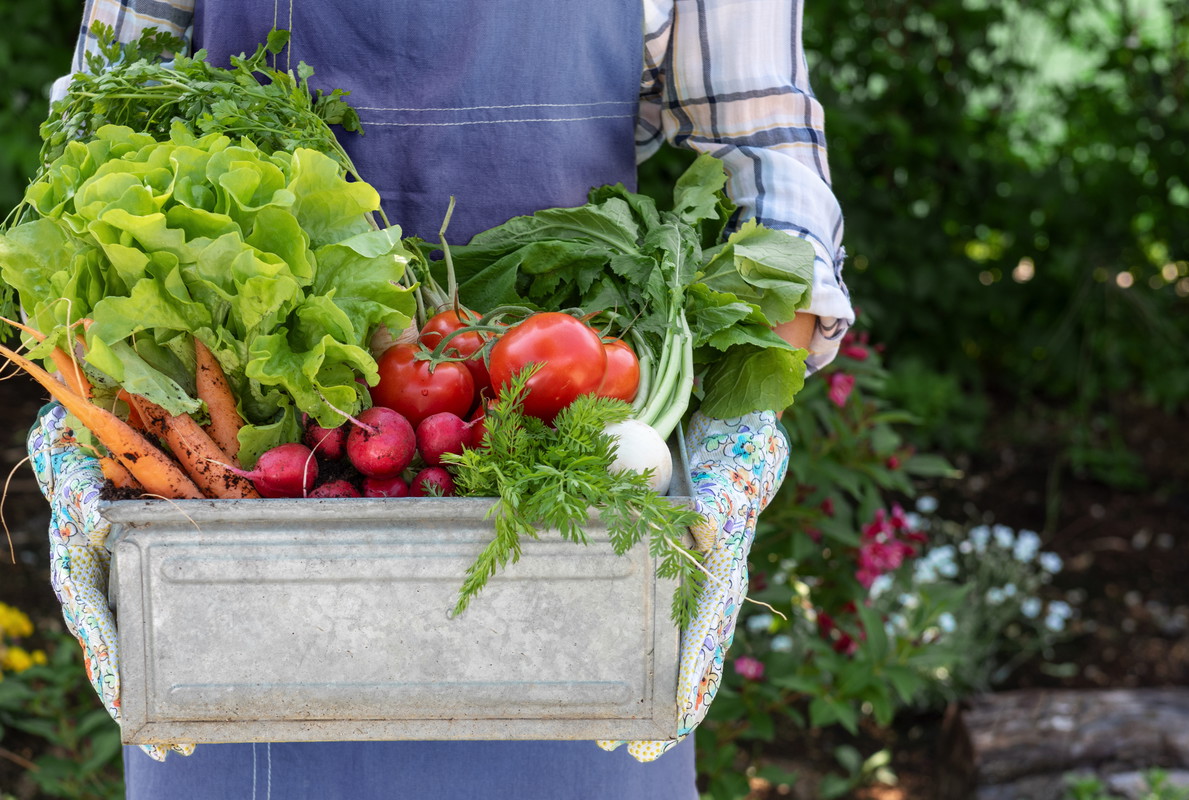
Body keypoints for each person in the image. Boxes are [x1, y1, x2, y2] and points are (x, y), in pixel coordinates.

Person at [35, 0, 855, 797]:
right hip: (248, 518)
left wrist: (736, 435)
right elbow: (97, 137)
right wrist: (94, 410)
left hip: (568, 509)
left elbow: (769, 152)